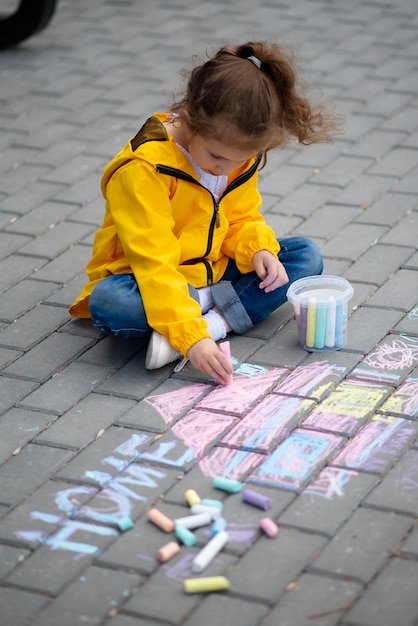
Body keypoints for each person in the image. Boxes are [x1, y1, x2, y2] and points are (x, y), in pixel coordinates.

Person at [69, 41, 337, 385]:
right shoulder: (143, 169)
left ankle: (212, 324)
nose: (228, 169)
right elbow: (154, 265)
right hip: (144, 278)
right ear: (191, 119)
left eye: (241, 159)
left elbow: (241, 218)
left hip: (210, 270)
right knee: (112, 304)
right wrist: (191, 340)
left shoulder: (236, 154)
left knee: (304, 258)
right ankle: (207, 316)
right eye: (218, 159)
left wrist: (258, 249)